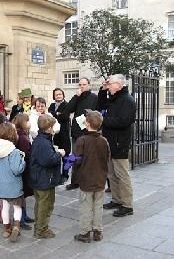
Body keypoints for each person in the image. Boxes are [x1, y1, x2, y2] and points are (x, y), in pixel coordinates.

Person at [99, 74, 136, 217]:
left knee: (122, 175)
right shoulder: (114, 98)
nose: (109, 86)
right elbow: (100, 106)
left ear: (119, 85)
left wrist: (103, 120)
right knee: (112, 174)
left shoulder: (127, 100)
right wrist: (102, 90)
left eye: (110, 84)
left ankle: (127, 205)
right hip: (110, 142)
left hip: (120, 143)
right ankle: (116, 199)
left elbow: (124, 121)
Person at [73, 110, 110, 243]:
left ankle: (84, 232)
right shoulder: (104, 140)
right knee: (98, 206)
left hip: (86, 179)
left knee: (86, 206)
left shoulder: (82, 140)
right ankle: (98, 231)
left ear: (86, 123)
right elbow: (107, 159)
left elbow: (77, 160)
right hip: (100, 179)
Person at [30, 114, 65, 239]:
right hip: (44, 179)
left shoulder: (41, 139)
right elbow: (48, 161)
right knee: (45, 204)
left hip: (40, 178)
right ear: (49, 128)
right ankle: (41, 229)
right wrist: (59, 154)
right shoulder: (43, 142)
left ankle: (39, 226)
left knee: (41, 203)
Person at [0, 122, 26, 243]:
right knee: (17, 207)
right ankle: (16, 227)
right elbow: (17, 169)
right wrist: (23, 161)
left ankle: (6, 229)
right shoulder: (14, 152)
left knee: (4, 207)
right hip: (13, 185)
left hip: (1, 185)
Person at [64, 77, 98, 190]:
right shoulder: (77, 98)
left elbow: (98, 113)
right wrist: (75, 97)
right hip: (76, 132)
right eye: (80, 85)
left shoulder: (94, 98)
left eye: (84, 84)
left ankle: (87, 180)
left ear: (89, 85)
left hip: (88, 132)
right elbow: (68, 110)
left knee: (89, 158)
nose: (82, 87)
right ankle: (75, 181)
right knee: (75, 157)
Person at [12, 113, 35, 230]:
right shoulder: (22, 138)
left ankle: (24, 216)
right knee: (20, 195)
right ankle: (20, 220)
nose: (29, 123)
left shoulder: (20, 135)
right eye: (27, 121)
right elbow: (26, 154)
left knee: (22, 195)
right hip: (23, 169)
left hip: (22, 168)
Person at [48, 88, 71, 180]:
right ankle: (56, 174)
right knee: (56, 155)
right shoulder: (52, 105)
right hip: (54, 135)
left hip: (64, 134)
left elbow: (64, 117)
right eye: (56, 94)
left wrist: (55, 115)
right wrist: (57, 114)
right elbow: (49, 114)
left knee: (66, 156)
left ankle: (65, 175)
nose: (58, 96)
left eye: (60, 94)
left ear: (63, 95)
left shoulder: (66, 105)